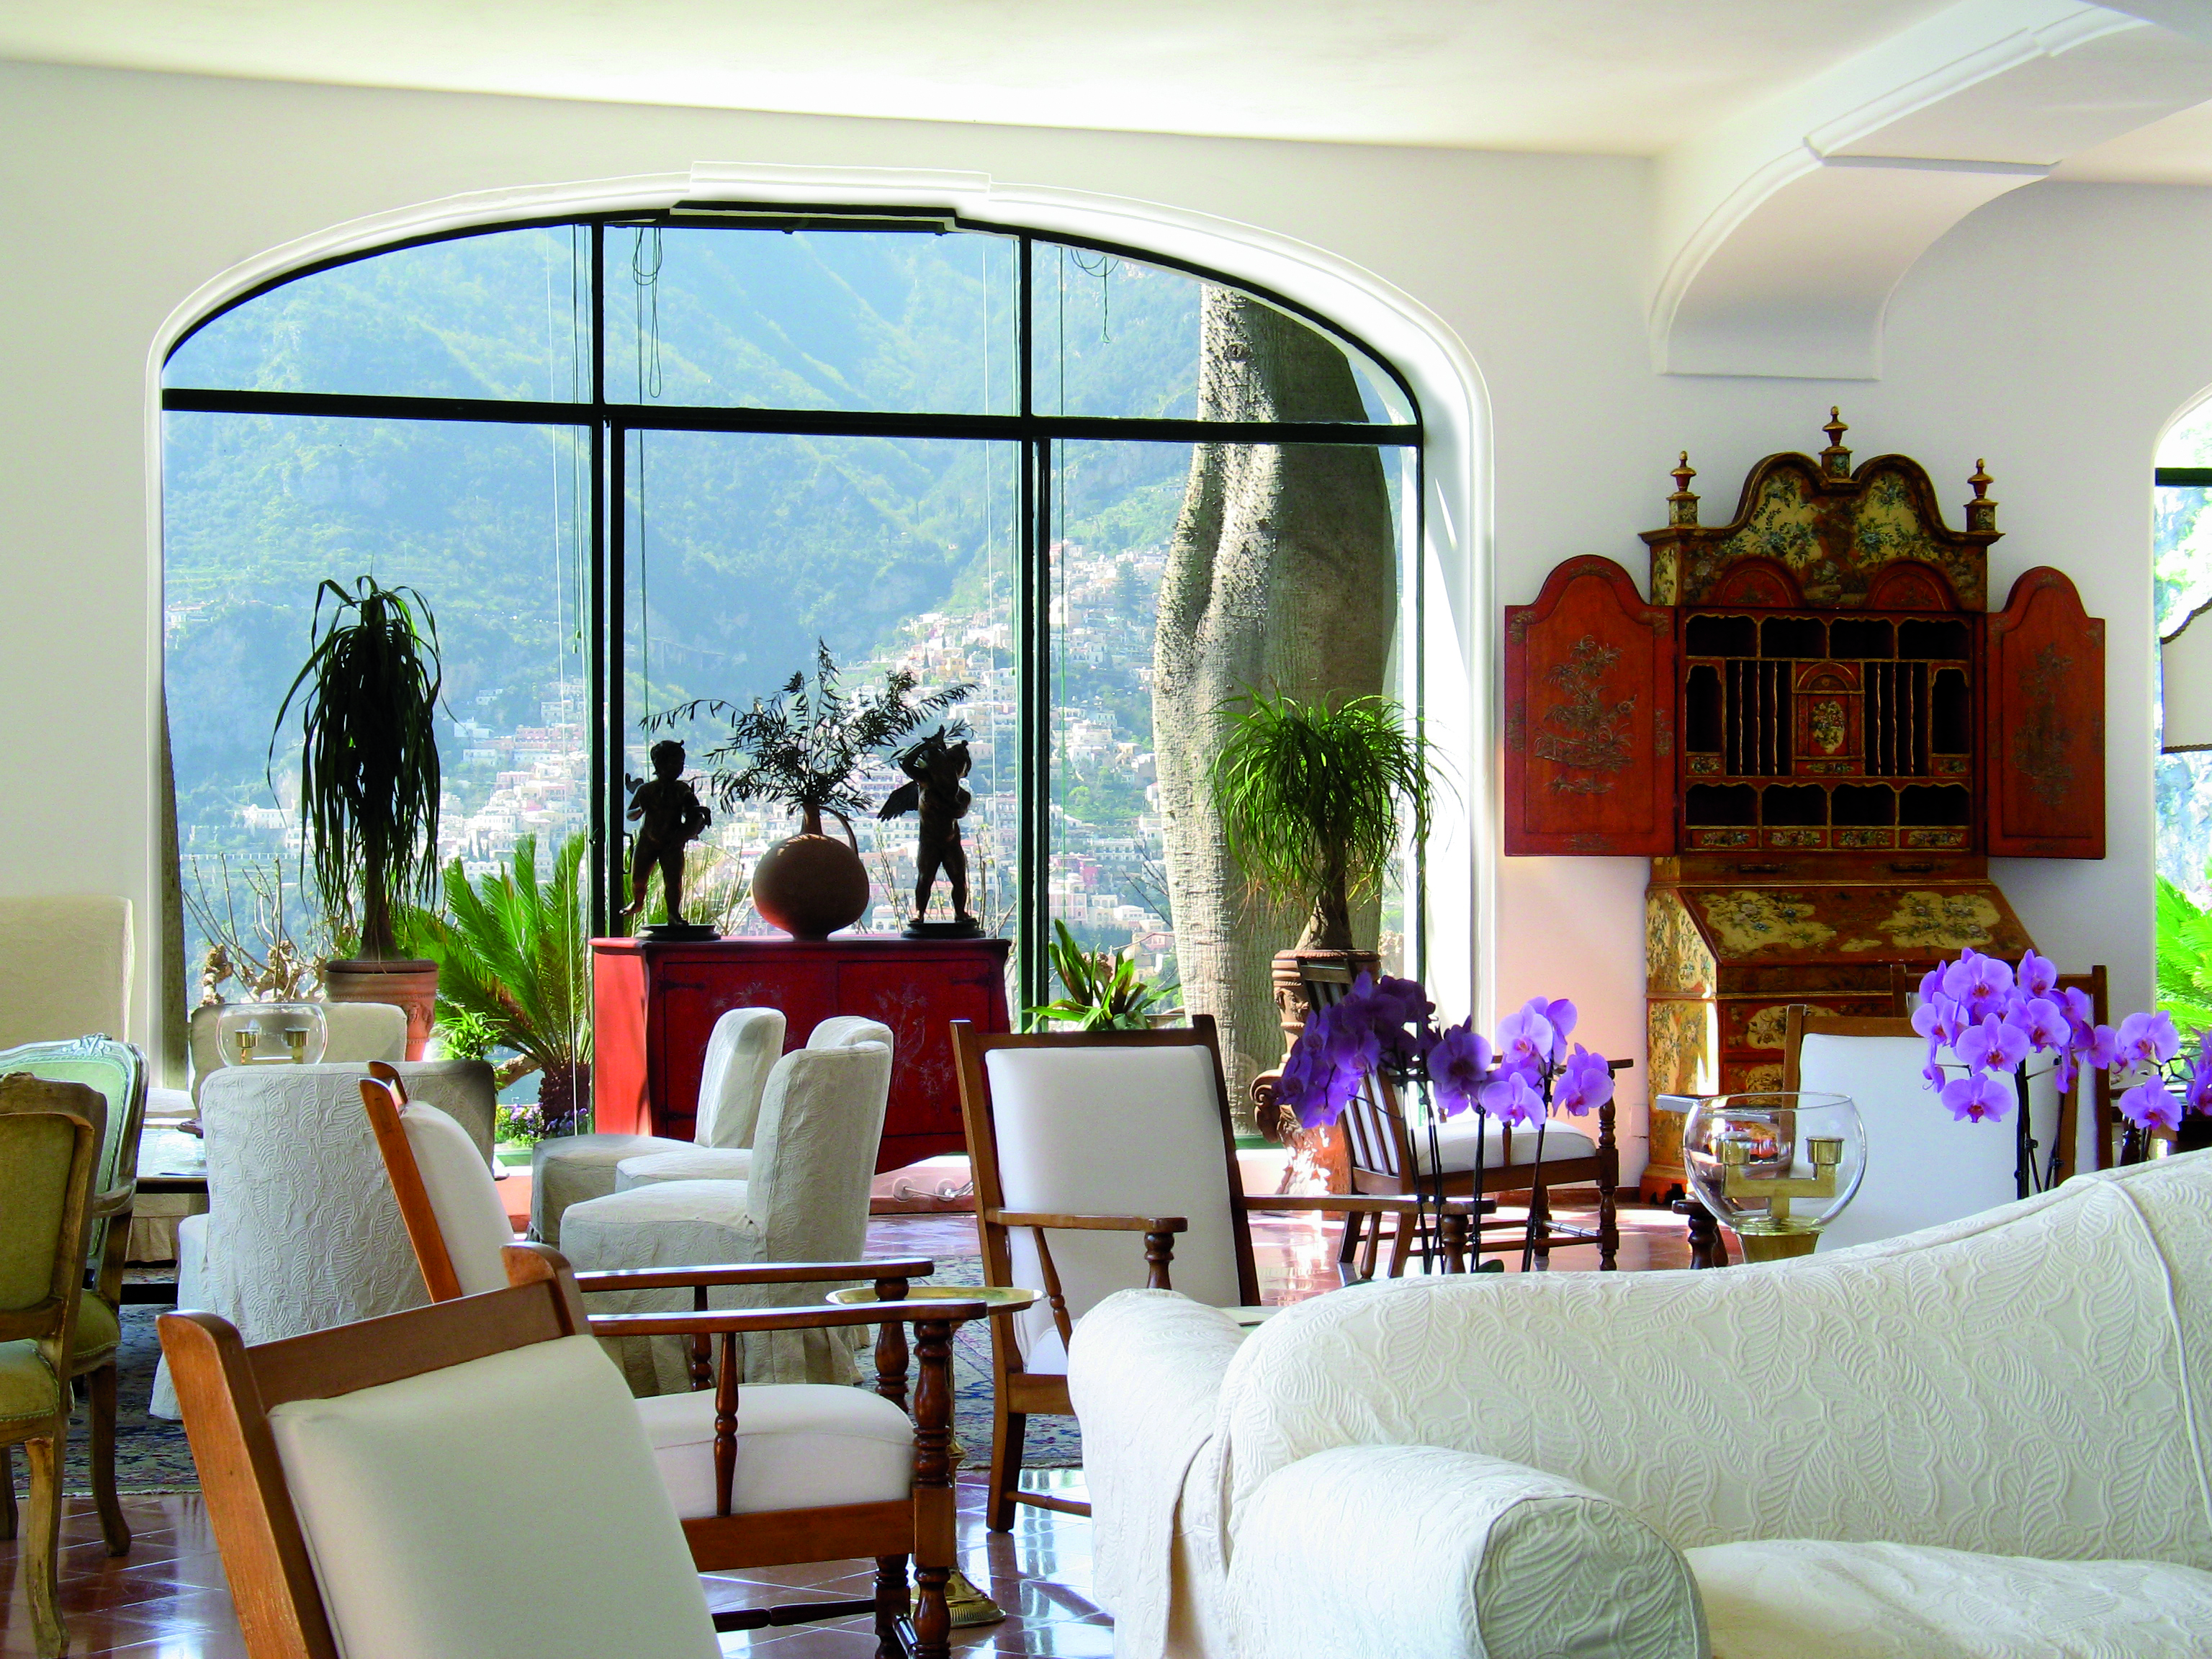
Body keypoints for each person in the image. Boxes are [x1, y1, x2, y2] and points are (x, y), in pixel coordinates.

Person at [620, 739, 712, 927]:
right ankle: (637, 903)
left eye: (681, 763)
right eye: (674, 763)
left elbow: (691, 812)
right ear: (659, 764)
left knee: (673, 881)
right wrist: (640, 810)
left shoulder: (682, 789)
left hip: (672, 843)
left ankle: (673, 914)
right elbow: (631, 815)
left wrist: (696, 819)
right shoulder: (646, 790)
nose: (678, 768)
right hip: (648, 841)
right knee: (639, 879)